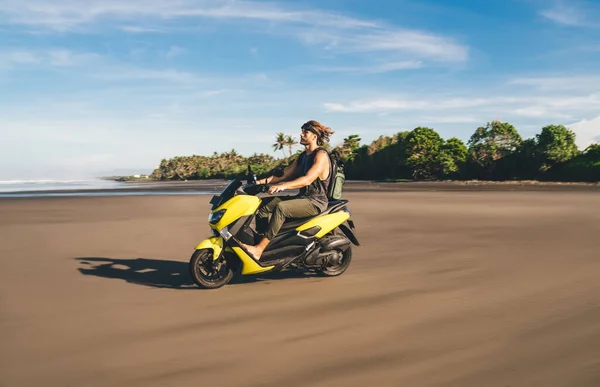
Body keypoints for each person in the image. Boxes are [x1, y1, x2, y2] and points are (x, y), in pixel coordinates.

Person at [241, 120, 334, 260]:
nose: (301, 135)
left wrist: (283, 186)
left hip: (316, 201)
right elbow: (284, 175)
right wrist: (257, 182)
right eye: (302, 131)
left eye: (305, 132)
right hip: (303, 198)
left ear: (314, 136)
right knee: (262, 206)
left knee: (281, 208)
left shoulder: (320, 155)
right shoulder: (303, 157)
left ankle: (259, 250)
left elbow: (308, 179)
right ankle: (263, 242)